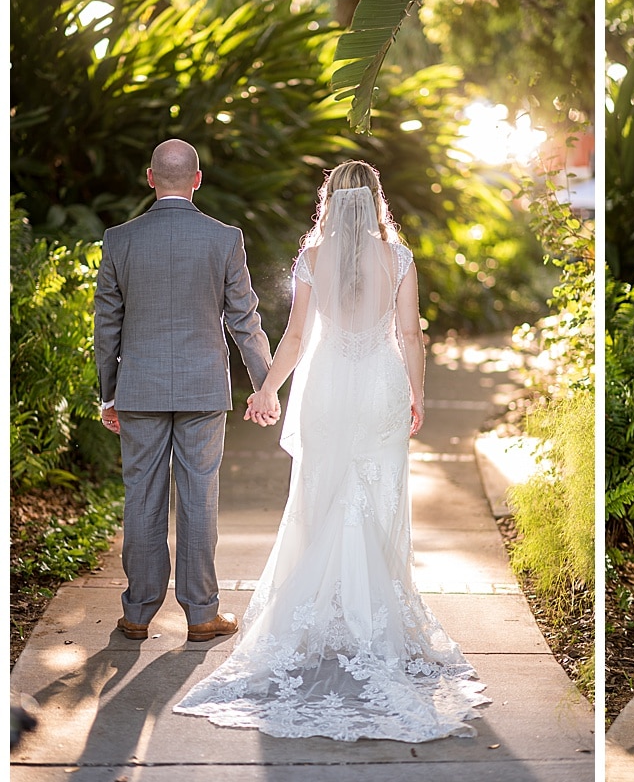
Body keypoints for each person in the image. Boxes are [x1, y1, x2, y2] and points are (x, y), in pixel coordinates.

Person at [173, 161, 489, 742]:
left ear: (330, 201)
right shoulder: (398, 259)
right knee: (376, 498)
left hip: (325, 387)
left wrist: (268, 387)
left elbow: (294, 337)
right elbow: (410, 334)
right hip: (380, 388)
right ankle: (374, 622)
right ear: (373, 201)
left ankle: (322, 620)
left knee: (321, 499)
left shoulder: (312, 259)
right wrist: (418, 393)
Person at [94, 138, 273, 644]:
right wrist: (266, 384)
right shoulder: (224, 239)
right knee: (199, 498)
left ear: (150, 178)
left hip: (139, 388)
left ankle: (137, 612)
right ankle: (201, 614)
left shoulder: (120, 240)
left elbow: (107, 324)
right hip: (202, 389)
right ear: (197, 180)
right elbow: (244, 318)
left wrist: (109, 394)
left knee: (142, 497)